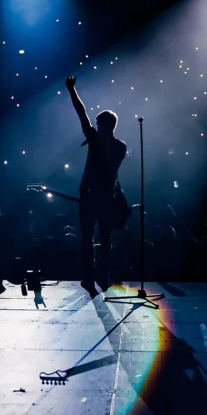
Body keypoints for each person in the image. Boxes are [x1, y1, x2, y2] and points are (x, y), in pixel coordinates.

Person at [65, 76, 126, 295]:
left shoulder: (96, 139)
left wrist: (72, 90)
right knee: (105, 238)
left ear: (101, 125)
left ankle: (89, 277)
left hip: (90, 195)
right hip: (107, 197)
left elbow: (81, 113)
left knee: (87, 237)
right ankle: (103, 275)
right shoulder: (121, 146)